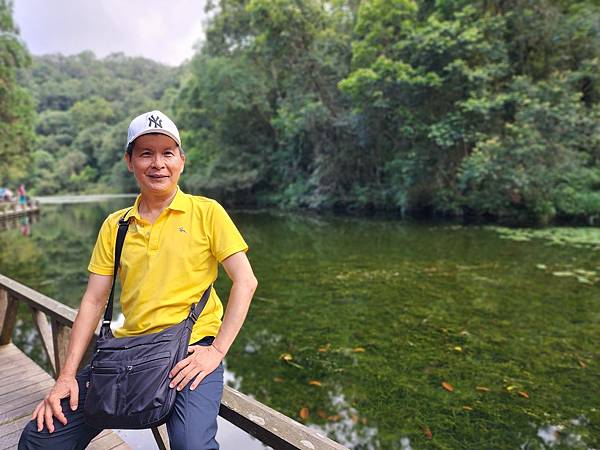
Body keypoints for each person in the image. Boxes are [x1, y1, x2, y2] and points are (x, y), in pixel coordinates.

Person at [18, 110, 258, 450]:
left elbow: (245, 282)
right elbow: (93, 300)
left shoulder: (208, 213)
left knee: (192, 446)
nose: (157, 163)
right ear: (130, 161)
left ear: (181, 161)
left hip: (189, 351)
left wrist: (216, 351)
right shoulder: (116, 225)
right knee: (41, 438)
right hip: (128, 352)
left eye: (167, 153)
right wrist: (66, 376)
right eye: (146, 153)